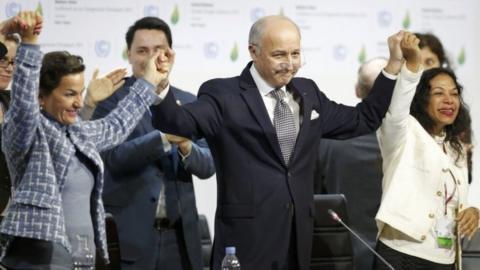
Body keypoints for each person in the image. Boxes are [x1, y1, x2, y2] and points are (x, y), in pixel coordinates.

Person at [150, 15, 416, 270]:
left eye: (296, 54)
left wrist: (393, 64)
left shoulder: (308, 92)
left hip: (299, 239)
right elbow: (178, 123)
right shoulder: (223, 95)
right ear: (253, 52)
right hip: (246, 241)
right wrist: (161, 85)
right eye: (279, 55)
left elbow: (363, 118)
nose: (289, 64)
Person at [0, 11, 169, 269]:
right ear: (41, 97)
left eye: (80, 93)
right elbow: (23, 103)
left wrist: (148, 83)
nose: (79, 102)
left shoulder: (77, 132)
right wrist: (30, 44)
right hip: (38, 261)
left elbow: (117, 125)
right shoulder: (27, 133)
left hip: (83, 262)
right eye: (69, 94)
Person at [92, 17, 215, 270]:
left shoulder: (190, 102)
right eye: (142, 51)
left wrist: (185, 145)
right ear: (129, 54)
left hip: (180, 241)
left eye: (159, 50)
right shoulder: (109, 99)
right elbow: (110, 160)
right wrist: (162, 138)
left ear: (171, 55)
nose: (151, 58)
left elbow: (208, 165)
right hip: (130, 238)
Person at [374, 67, 480, 268]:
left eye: (454, 94)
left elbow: (451, 202)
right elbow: (397, 107)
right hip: (402, 254)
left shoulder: (456, 148)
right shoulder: (404, 132)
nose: (449, 100)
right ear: (421, 99)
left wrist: (473, 212)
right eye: (439, 93)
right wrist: (411, 67)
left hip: (446, 259)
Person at [313, 57, 388, 270]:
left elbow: (313, 200)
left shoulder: (325, 142)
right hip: (399, 256)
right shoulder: (412, 144)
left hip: (337, 256)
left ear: (358, 90)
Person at [0, 35, 19, 215]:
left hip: (13, 214)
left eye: (13, 62)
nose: (9, 68)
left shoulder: (14, 102)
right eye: (2, 60)